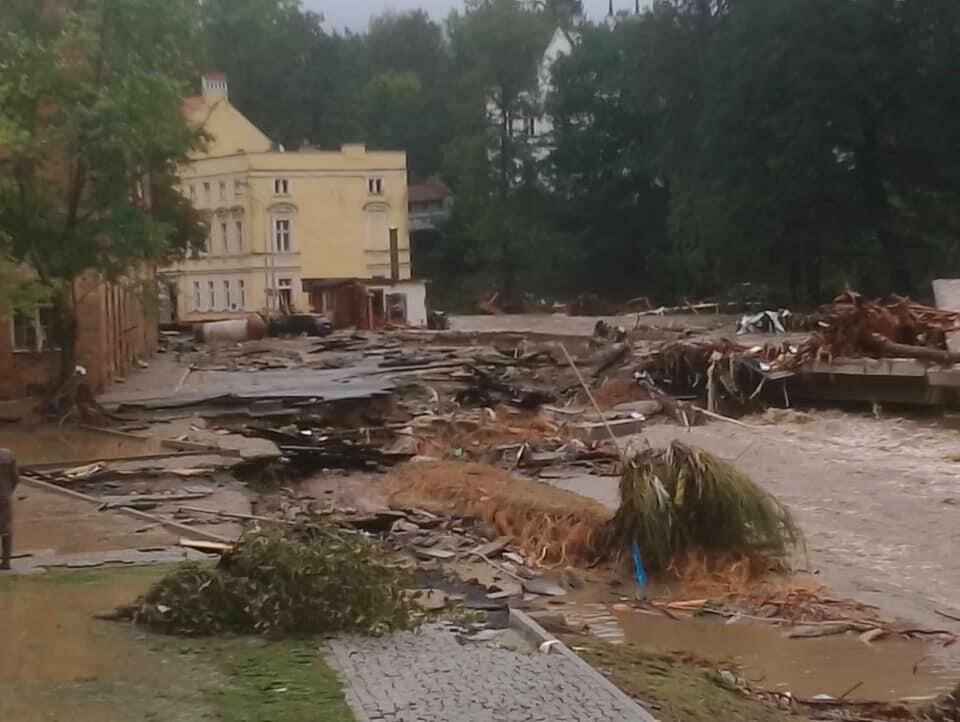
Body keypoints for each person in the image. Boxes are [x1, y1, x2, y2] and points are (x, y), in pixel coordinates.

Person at [0, 448, 17, 570]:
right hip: (4, 496)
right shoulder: (8, 455)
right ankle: (6, 561)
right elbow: (16, 478)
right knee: (6, 527)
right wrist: (8, 492)